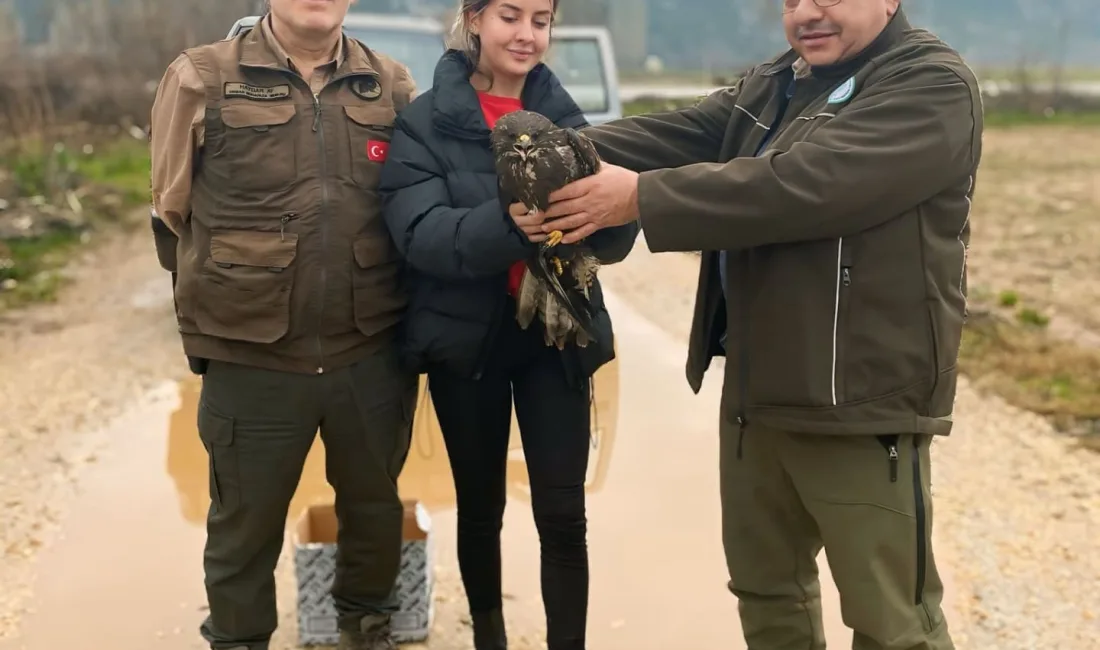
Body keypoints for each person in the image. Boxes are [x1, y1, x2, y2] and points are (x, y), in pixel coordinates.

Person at [520, 1, 983, 649]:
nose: (807, 13)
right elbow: (679, 133)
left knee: (892, 621)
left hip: (859, 400)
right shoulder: (778, 80)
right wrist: (558, 149)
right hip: (756, 390)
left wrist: (641, 198)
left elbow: (806, 185)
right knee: (768, 594)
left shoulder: (928, 85)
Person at [148, 0, 419, 648]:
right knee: (244, 527)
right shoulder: (199, 78)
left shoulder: (390, 83)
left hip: (369, 349)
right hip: (252, 355)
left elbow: (410, 206)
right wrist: (248, 283)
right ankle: (240, 640)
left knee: (375, 515)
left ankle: (367, 628)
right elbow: (171, 211)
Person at [376, 1, 638, 648]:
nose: (526, 34)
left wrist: (614, 212)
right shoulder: (424, 124)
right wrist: (508, 227)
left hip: (557, 338)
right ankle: (489, 637)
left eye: (540, 20)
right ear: (474, 20)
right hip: (467, 342)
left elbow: (613, 240)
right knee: (481, 507)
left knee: (562, 512)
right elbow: (419, 234)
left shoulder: (573, 122)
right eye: (510, 16)